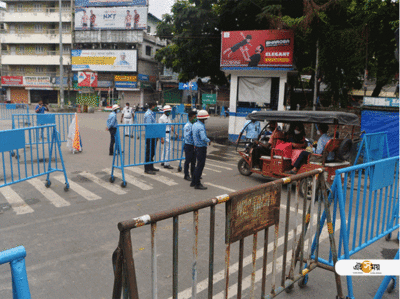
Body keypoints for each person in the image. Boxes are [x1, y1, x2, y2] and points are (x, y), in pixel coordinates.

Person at [191, 110, 211, 190]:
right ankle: (197, 183)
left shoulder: (194, 124)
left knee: (197, 165)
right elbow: (203, 138)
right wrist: (208, 140)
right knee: (200, 166)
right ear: (203, 119)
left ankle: (193, 181)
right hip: (201, 147)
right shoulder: (201, 126)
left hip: (196, 147)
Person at [144, 102, 159, 175]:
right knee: (149, 152)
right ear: (152, 106)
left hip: (153, 135)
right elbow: (150, 126)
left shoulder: (152, 114)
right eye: (155, 106)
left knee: (152, 152)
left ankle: (151, 166)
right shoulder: (148, 114)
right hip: (150, 135)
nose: (156, 108)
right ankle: (147, 168)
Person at [159, 105, 176, 169]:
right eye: (168, 111)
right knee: (168, 149)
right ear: (165, 111)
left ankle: (162, 161)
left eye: (169, 111)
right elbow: (160, 129)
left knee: (165, 149)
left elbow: (171, 127)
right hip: (164, 134)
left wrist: (176, 133)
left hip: (168, 134)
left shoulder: (168, 118)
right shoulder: (161, 118)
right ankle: (166, 163)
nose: (169, 112)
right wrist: (161, 138)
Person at [183, 110, 197, 181]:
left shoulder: (194, 125)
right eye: (194, 117)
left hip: (194, 145)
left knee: (193, 161)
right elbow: (187, 137)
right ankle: (186, 175)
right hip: (189, 145)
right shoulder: (187, 126)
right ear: (190, 118)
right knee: (188, 161)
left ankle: (193, 174)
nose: (195, 118)